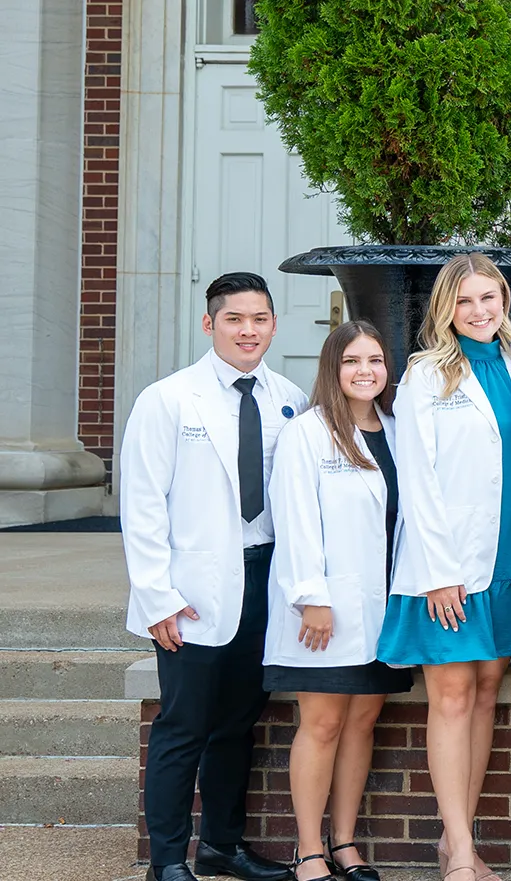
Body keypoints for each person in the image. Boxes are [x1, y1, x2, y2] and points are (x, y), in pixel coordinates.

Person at [125, 272, 308, 881]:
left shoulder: (289, 398)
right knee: (184, 727)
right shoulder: (168, 399)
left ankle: (222, 846)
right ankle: (168, 859)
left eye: (259, 319)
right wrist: (157, 598)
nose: (248, 330)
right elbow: (144, 504)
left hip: (265, 584)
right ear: (210, 324)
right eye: (235, 319)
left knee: (237, 724)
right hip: (192, 594)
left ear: (274, 325)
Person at [379, 254, 511, 881]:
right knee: (449, 698)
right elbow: (418, 480)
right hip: (447, 564)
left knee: (484, 696)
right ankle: (460, 849)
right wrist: (438, 571)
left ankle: (460, 839)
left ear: (505, 302)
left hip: (507, 556)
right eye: (466, 300)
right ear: (446, 307)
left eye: (490, 299)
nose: (480, 311)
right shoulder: (425, 375)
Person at [265, 320, 413, 881]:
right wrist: (311, 597)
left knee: (362, 723)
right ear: (333, 367)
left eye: (375, 360)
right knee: (322, 724)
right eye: (352, 360)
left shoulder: (397, 430)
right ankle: (308, 850)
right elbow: (296, 520)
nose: (365, 371)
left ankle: (346, 843)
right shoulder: (309, 433)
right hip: (324, 610)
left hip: (382, 609)